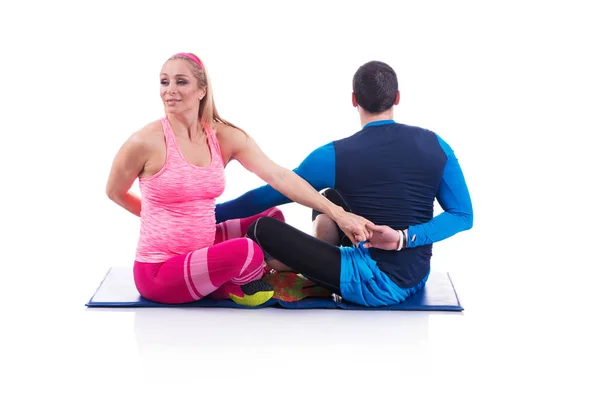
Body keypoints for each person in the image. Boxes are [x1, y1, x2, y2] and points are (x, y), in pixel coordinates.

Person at [105, 52, 374, 307]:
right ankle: (234, 283)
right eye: (164, 81)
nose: (169, 90)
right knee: (247, 251)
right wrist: (163, 219)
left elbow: (279, 176)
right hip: (158, 270)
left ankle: (237, 272)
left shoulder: (222, 137)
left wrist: (337, 213)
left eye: (181, 81)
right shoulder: (144, 142)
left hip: (203, 246)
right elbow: (115, 192)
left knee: (270, 220)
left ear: (202, 90)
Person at [215, 60, 474, 307]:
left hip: (376, 285)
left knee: (262, 228)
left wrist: (214, 213)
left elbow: (272, 193)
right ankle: (318, 264)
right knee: (329, 198)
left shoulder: (334, 155)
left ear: (353, 100)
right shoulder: (437, 144)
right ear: (397, 97)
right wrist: (404, 239)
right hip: (417, 274)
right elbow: (463, 216)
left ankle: (306, 268)